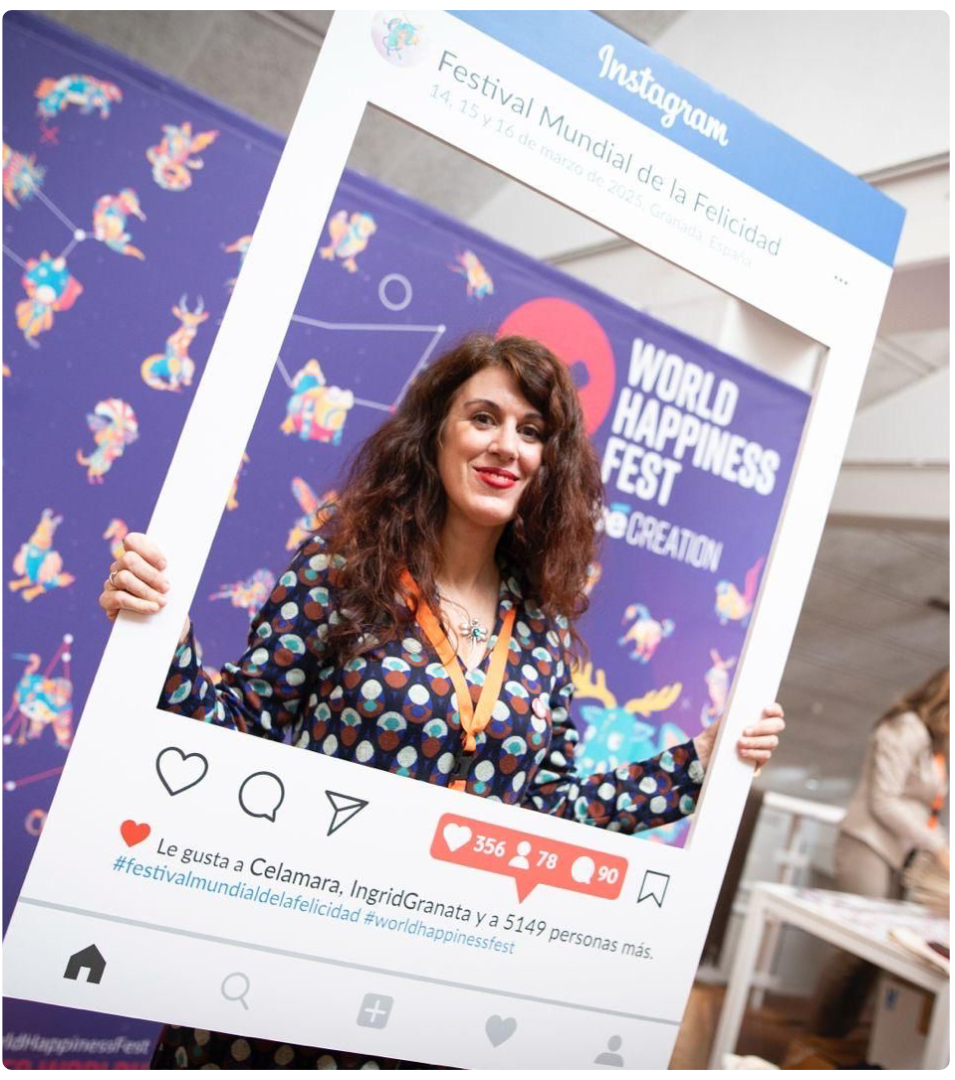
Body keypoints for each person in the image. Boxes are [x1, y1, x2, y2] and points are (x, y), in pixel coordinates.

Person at [99, 332, 786, 1070]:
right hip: (283, 976)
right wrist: (159, 636)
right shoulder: (343, 569)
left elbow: (546, 814)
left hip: (430, 1004)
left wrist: (698, 763)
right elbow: (236, 728)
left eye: (531, 431)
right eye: (483, 418)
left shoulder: (543, 626)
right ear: (435, 432)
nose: (506, 447)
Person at [809, 666, 954, 1038]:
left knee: (878, 954)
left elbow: (924, 809)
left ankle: (839, 1039)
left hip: (896, 855)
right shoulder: (904, 729)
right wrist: (938, 847)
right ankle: (818, 1037)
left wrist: (939, 846)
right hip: (868, 844)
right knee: (855, 948)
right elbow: (884, 801)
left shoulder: (933, 746)